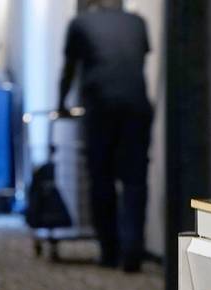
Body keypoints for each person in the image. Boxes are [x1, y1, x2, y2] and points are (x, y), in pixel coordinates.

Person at [57, 0, 153, 272]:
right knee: (135, 180)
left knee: (102, 179)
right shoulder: (137, 22)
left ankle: (110, 251)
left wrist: (61, 104)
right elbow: (137, 62)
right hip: (137, 106)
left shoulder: (80, 24)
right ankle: (133, 249)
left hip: (101, 107)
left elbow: (69, 69)